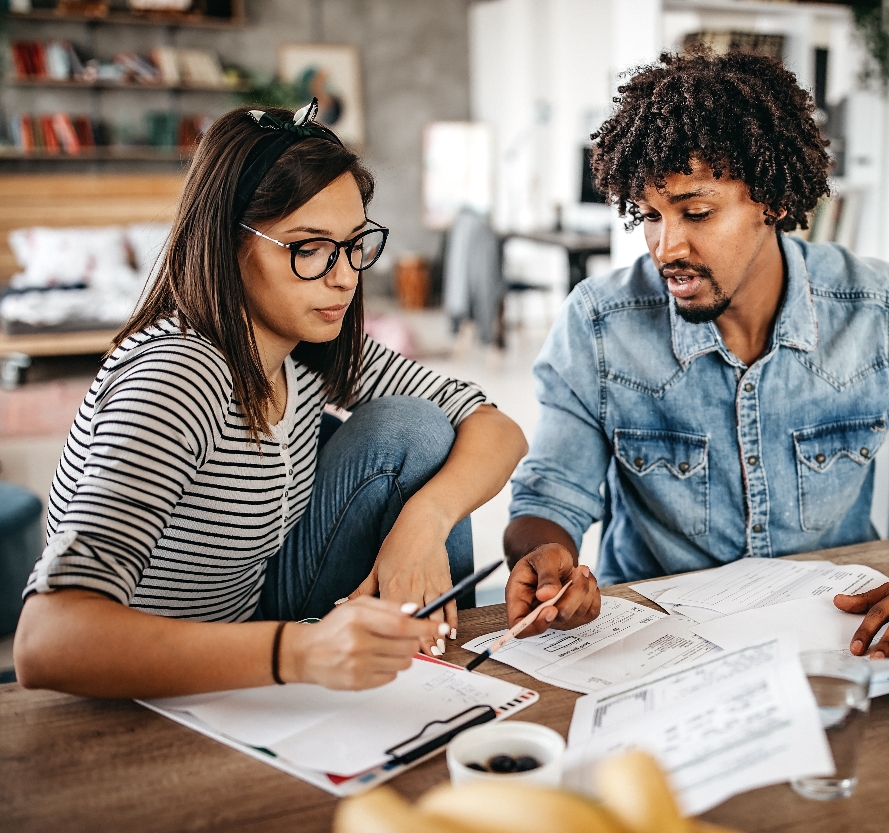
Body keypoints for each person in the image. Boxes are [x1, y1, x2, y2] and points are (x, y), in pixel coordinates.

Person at [503, 51, 889, 660]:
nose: (665, 246)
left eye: (697, 213)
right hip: (661, 645)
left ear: (773, 201)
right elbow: (548, 502)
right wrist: (548, 561)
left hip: (838, 638)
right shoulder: (600, 324)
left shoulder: (881, 311)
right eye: (650, 216)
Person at [14, 101, 527, 698]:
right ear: (227, 241)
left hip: (258, 608)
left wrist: (423, 521)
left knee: (417, 429)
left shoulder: (306, 347)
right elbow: (44, 640)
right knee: (410, 431)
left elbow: (497, 428)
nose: (344, 277)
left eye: (354, 244)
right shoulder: (177, 377)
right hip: (162, 672)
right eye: (307, 248)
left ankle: (438, 687)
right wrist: (302, 651)